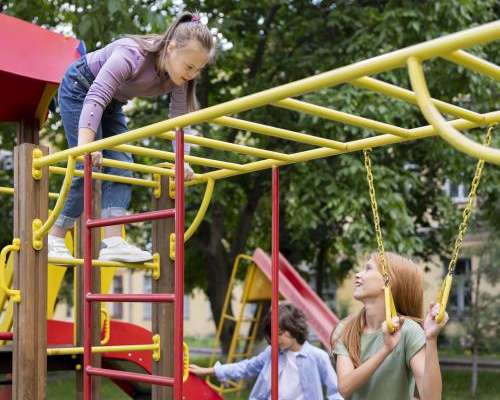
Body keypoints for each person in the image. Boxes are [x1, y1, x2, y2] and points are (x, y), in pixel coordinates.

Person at [48, 11, 214, 262]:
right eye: (189, 66)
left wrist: (184, 161)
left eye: (198, 69)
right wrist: (86, 145)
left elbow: (180, 122)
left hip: (113, 103)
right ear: (170, 48)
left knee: (123, 164)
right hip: (80, 89)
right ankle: (55, 236)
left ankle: (112, 241)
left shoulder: (181, 80)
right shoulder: (131, 54)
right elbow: (97, 94)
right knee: (89, 166)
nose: (192, 74)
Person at [331, 252, 449, 400]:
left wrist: (431, 339)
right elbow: (344, 388)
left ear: (387, 281)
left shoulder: (408, 330)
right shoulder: (346, 329)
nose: (358, 275)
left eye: (368, 269)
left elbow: (431, 398)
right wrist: (386, 349)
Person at [190, 302, 343, 400]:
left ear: (294, 328)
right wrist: (208, 371)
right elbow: (245, 367)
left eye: (280, 333)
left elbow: (335, 391)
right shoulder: (272, 353)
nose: (276, 339)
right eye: (272, 335)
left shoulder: (317, 357)